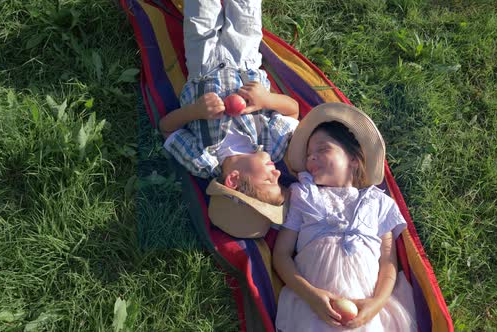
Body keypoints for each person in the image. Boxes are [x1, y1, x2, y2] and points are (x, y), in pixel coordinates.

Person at [273, 103, 417, 331]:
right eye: (309, 155)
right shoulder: (304, 196)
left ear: (353, 159)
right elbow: (281, 255)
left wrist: (376, 304)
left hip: (364, 309)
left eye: (322, 150)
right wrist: (310, 295)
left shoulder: (379, 203)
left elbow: (388, 263)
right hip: (315, 308)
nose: (311, 159)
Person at [159, 0, 299, 205]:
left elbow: (166, 129)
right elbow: (292, 111)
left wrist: (195, 112)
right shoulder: (273, 147)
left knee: (201, 10)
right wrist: (266, 99)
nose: (277, 172)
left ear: (233, 179)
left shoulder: (203, 162)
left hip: (202, 65)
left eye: (270, 180)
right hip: (245, 61)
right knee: (245, 9)